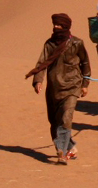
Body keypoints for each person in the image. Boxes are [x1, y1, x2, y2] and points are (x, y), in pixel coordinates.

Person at [26, 13, 91, 164]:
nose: (56, 28)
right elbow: (42, 64)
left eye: (59, 25)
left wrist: (85, 84)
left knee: (66, 118)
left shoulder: (77, 43)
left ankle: (60, 152)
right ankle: (71, 147)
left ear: (66, 27)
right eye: (55, 25)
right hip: (54, 88)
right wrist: (38, 81)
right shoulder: (50, 44)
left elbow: (85, 64)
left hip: (72, 87)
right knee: (54, 121)